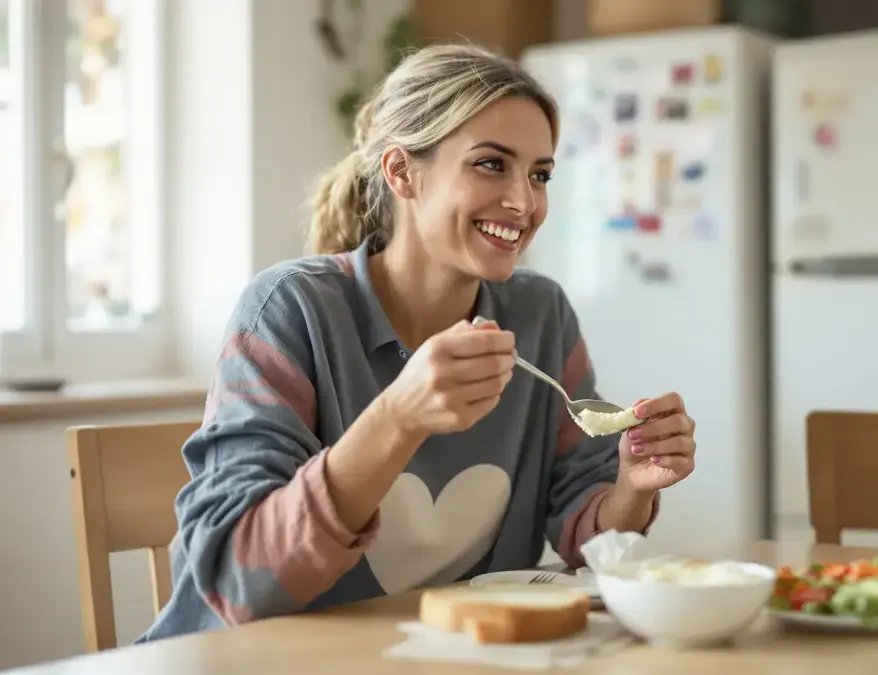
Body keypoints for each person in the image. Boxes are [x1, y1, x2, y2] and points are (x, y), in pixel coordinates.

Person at [137, 44, 697, 641]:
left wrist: (629, 489)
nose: (525, 202)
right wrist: (398, 418)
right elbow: (238, 583)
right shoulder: (291, 310)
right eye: (491, 164)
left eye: (539, 174)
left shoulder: (540, 314)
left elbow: (588, 537)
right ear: (402, 172)